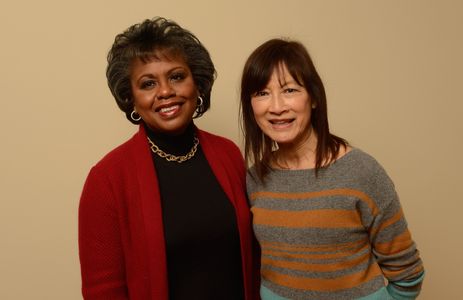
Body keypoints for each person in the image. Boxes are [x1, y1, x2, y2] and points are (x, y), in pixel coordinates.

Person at [79, 17, 258, 300]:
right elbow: (103, 290)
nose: (165, 92)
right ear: (131, 98)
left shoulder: (228, 155)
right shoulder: (107, 180)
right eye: (148, 83)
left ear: (196, 83)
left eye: (176, 76)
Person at [240, 38, 424, 299]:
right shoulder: (255, 178)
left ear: (314, 97)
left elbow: (408, 275)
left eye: (290, 90)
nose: (277, 107)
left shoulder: (361, 172)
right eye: (262, 93)